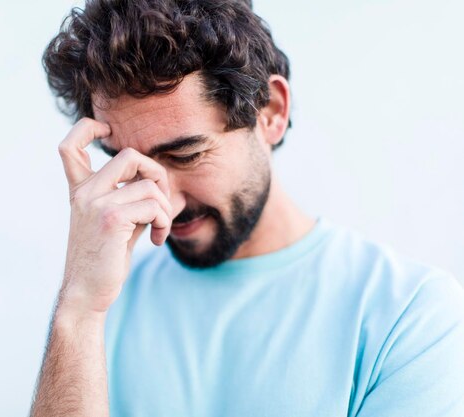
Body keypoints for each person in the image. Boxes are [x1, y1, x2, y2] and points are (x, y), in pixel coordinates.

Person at [30, 1, 464, 416]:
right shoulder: (103, 305)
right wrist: (80, 308)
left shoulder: (410, 316)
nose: (162, 204)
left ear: (271, 111)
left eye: (187, 156)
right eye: (130, 167)